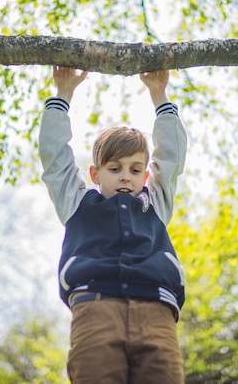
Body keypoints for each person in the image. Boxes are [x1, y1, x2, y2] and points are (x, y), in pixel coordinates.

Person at [38, 65, 187, 384]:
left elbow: (171, 158)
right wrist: (63, 94)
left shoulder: (155, 203)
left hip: (156, 309)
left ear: (146, 176)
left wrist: (159, 95)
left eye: (135, 170)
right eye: (115, 168)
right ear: (95, 174)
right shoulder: (78, 204)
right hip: (95, 306)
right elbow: (54, 158)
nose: (125, 176)